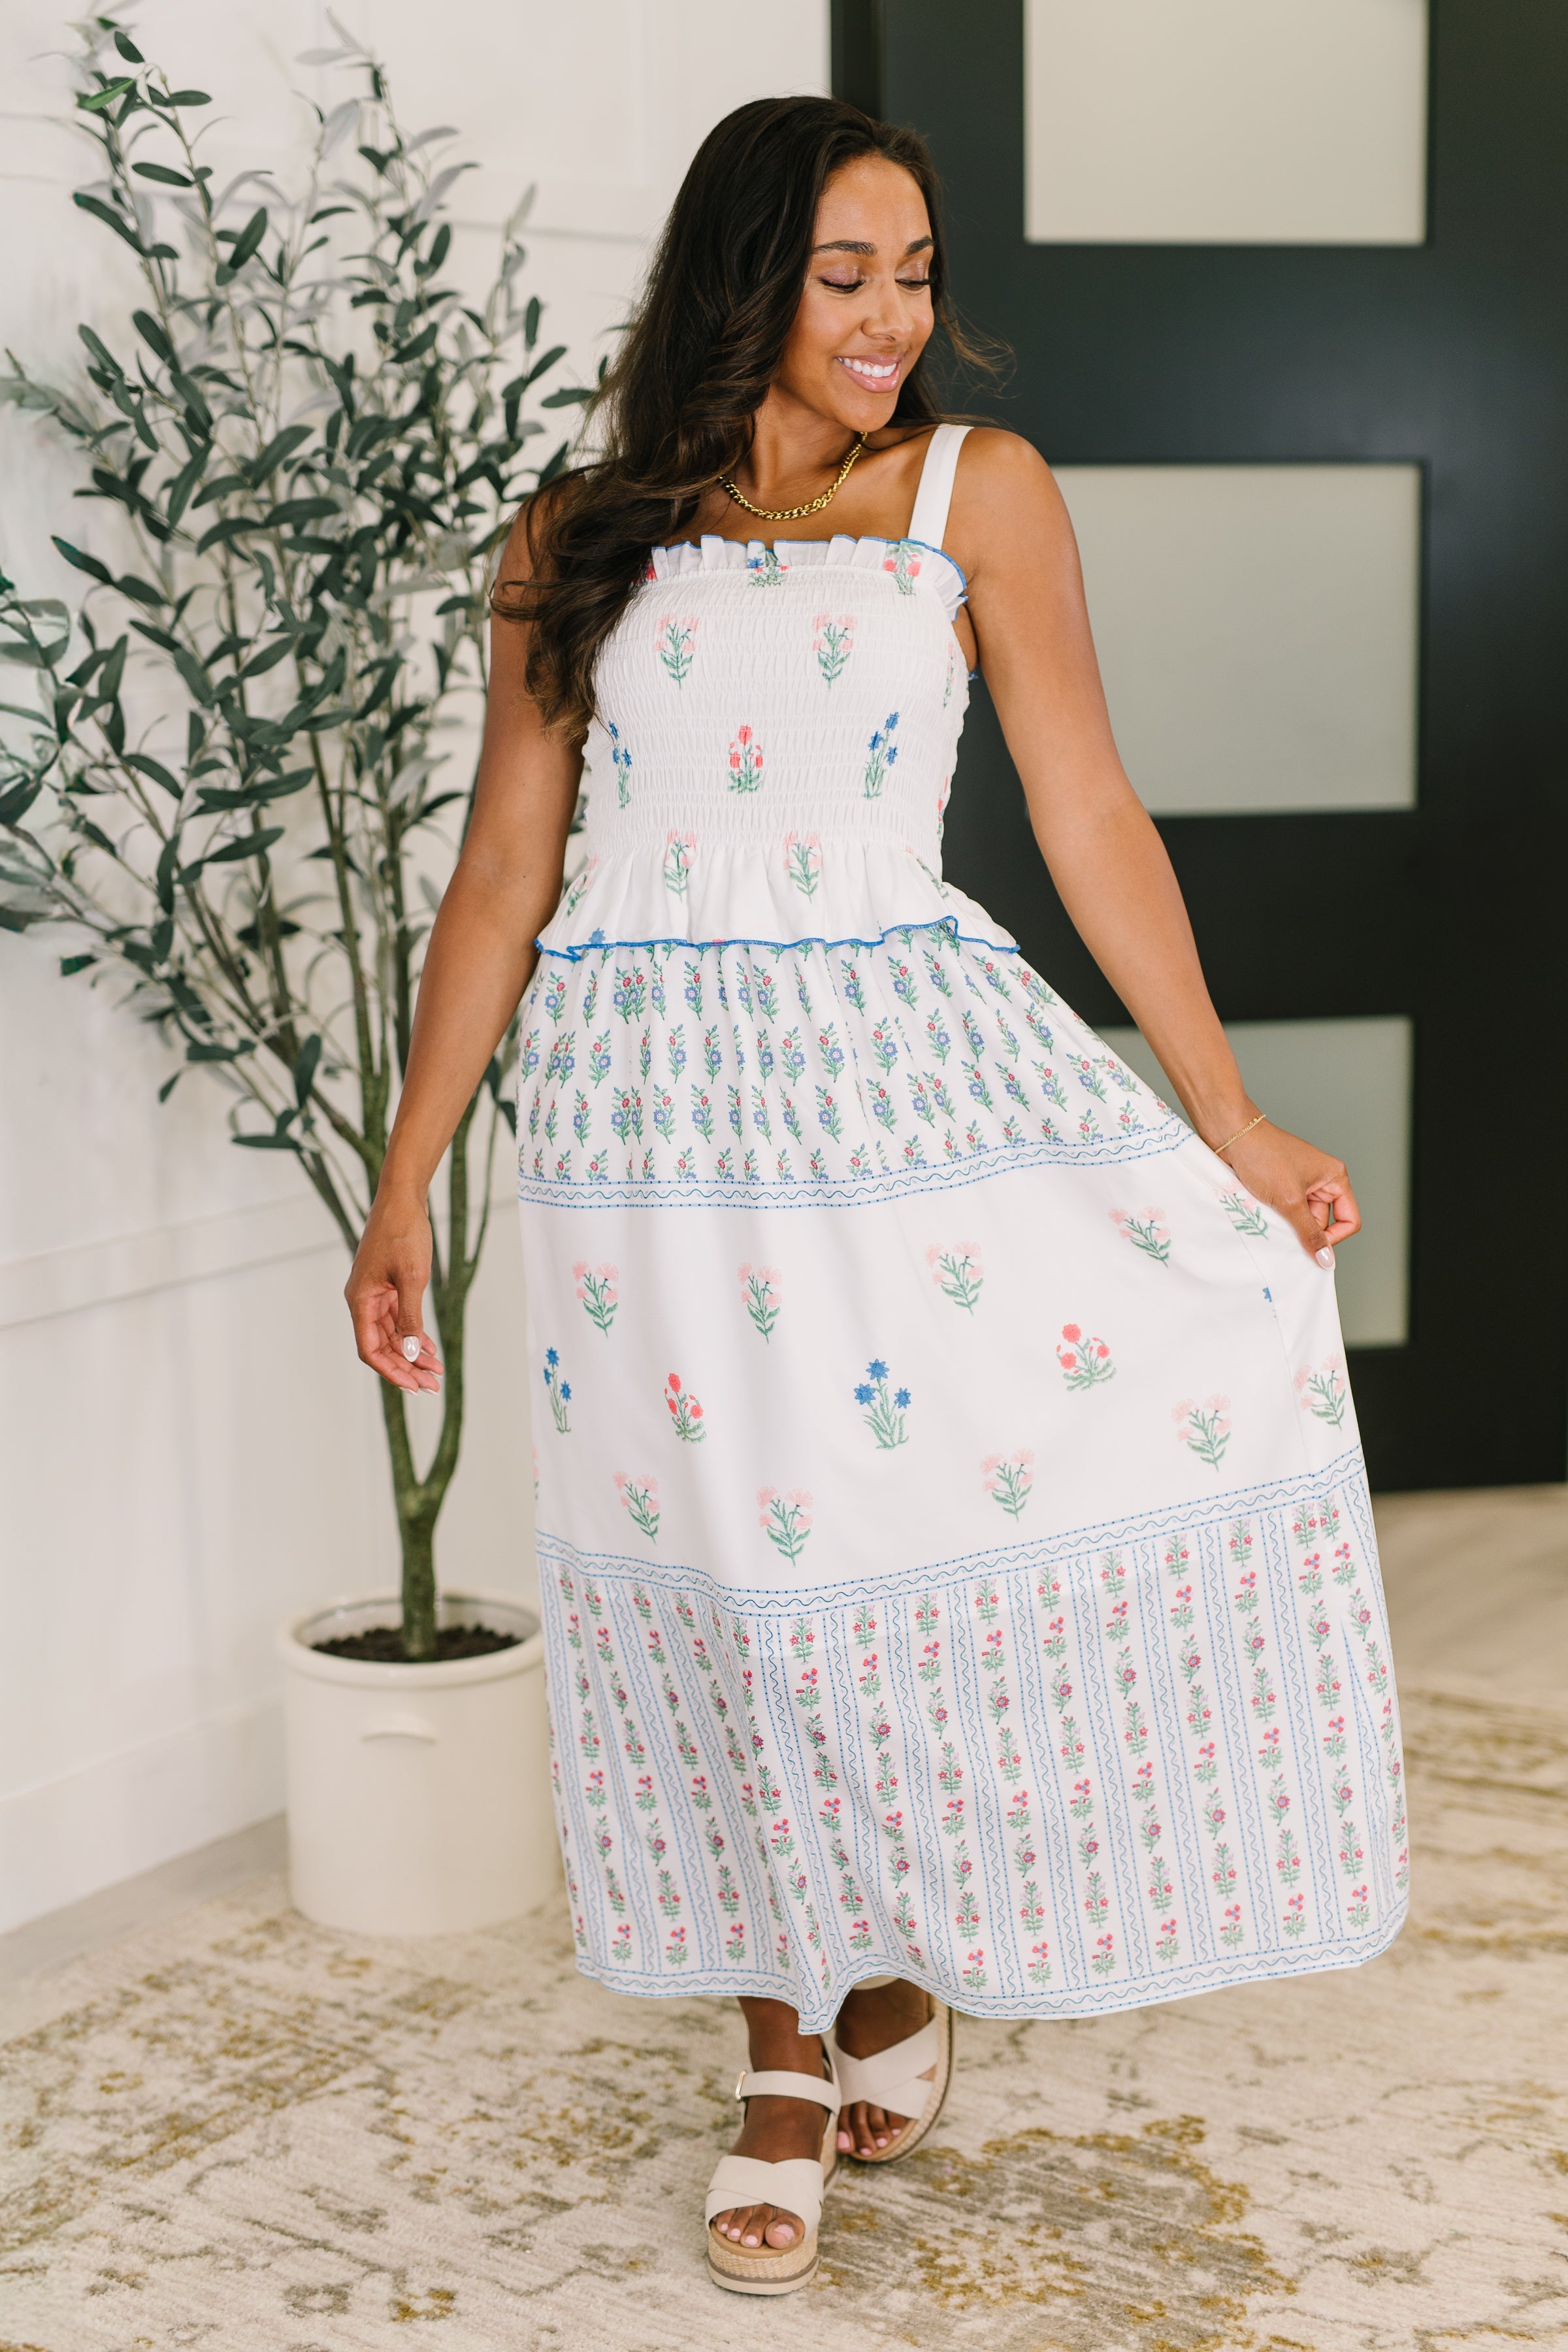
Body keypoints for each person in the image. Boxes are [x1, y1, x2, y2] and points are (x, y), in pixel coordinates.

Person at [346, 95, 1408, 2298]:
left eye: (916, 275)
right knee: (713, 1581)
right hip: (641, 1134)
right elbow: (504, 876)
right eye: (847, 274)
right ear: (743, 276)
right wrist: (405, 1180)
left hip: (891, 1089)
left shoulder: (973, 493)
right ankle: (776, 2047)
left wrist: (1226, 1115)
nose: (892, 317)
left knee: (889, 1541)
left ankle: (894, 1951)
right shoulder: (574, 537)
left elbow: (1088, 806)